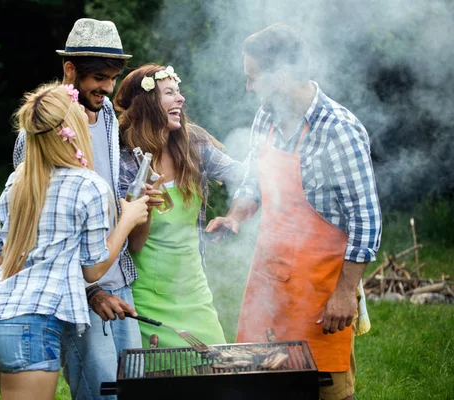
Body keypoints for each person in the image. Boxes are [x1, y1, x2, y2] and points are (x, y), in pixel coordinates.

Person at [206, 23, 382, 400]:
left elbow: (367, 221)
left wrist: (345, 294)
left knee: (324, 390)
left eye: (253, 78)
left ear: (281, 77)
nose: (249, 87)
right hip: (268, 284)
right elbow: (252, 181)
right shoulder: (266, 117)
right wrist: (236, 216)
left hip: (321, 294)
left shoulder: (340, 130)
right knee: (262, 386)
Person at [10, 19, 161, 400]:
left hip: (118, 278)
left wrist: (134, 198)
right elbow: (40, 228)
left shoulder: (108, 113)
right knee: (100, 393)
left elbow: (97, 193)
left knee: (131, 387)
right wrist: (91, 290)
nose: (107, 88)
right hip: (77, 291)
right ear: (69, 70)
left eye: (113, 77)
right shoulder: (42, 130)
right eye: (99, 78)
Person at [0, 82, 149, 399]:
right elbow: (92, 270)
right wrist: (128, 219)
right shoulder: (88, 185)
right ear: (72, 130)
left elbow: (0, 258)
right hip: (30, 326)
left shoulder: (19, 178)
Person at [114, 64, 247, 349]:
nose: (181, 99)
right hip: (144, 296)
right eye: (169, 93)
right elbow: (133, 244)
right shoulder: (124, 163)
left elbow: (249, 177)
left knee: (213, 374)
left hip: (194, 291)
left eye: (179, 91)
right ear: (147, 104)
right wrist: (146, 207)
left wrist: (235, 215)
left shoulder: (194, 148)